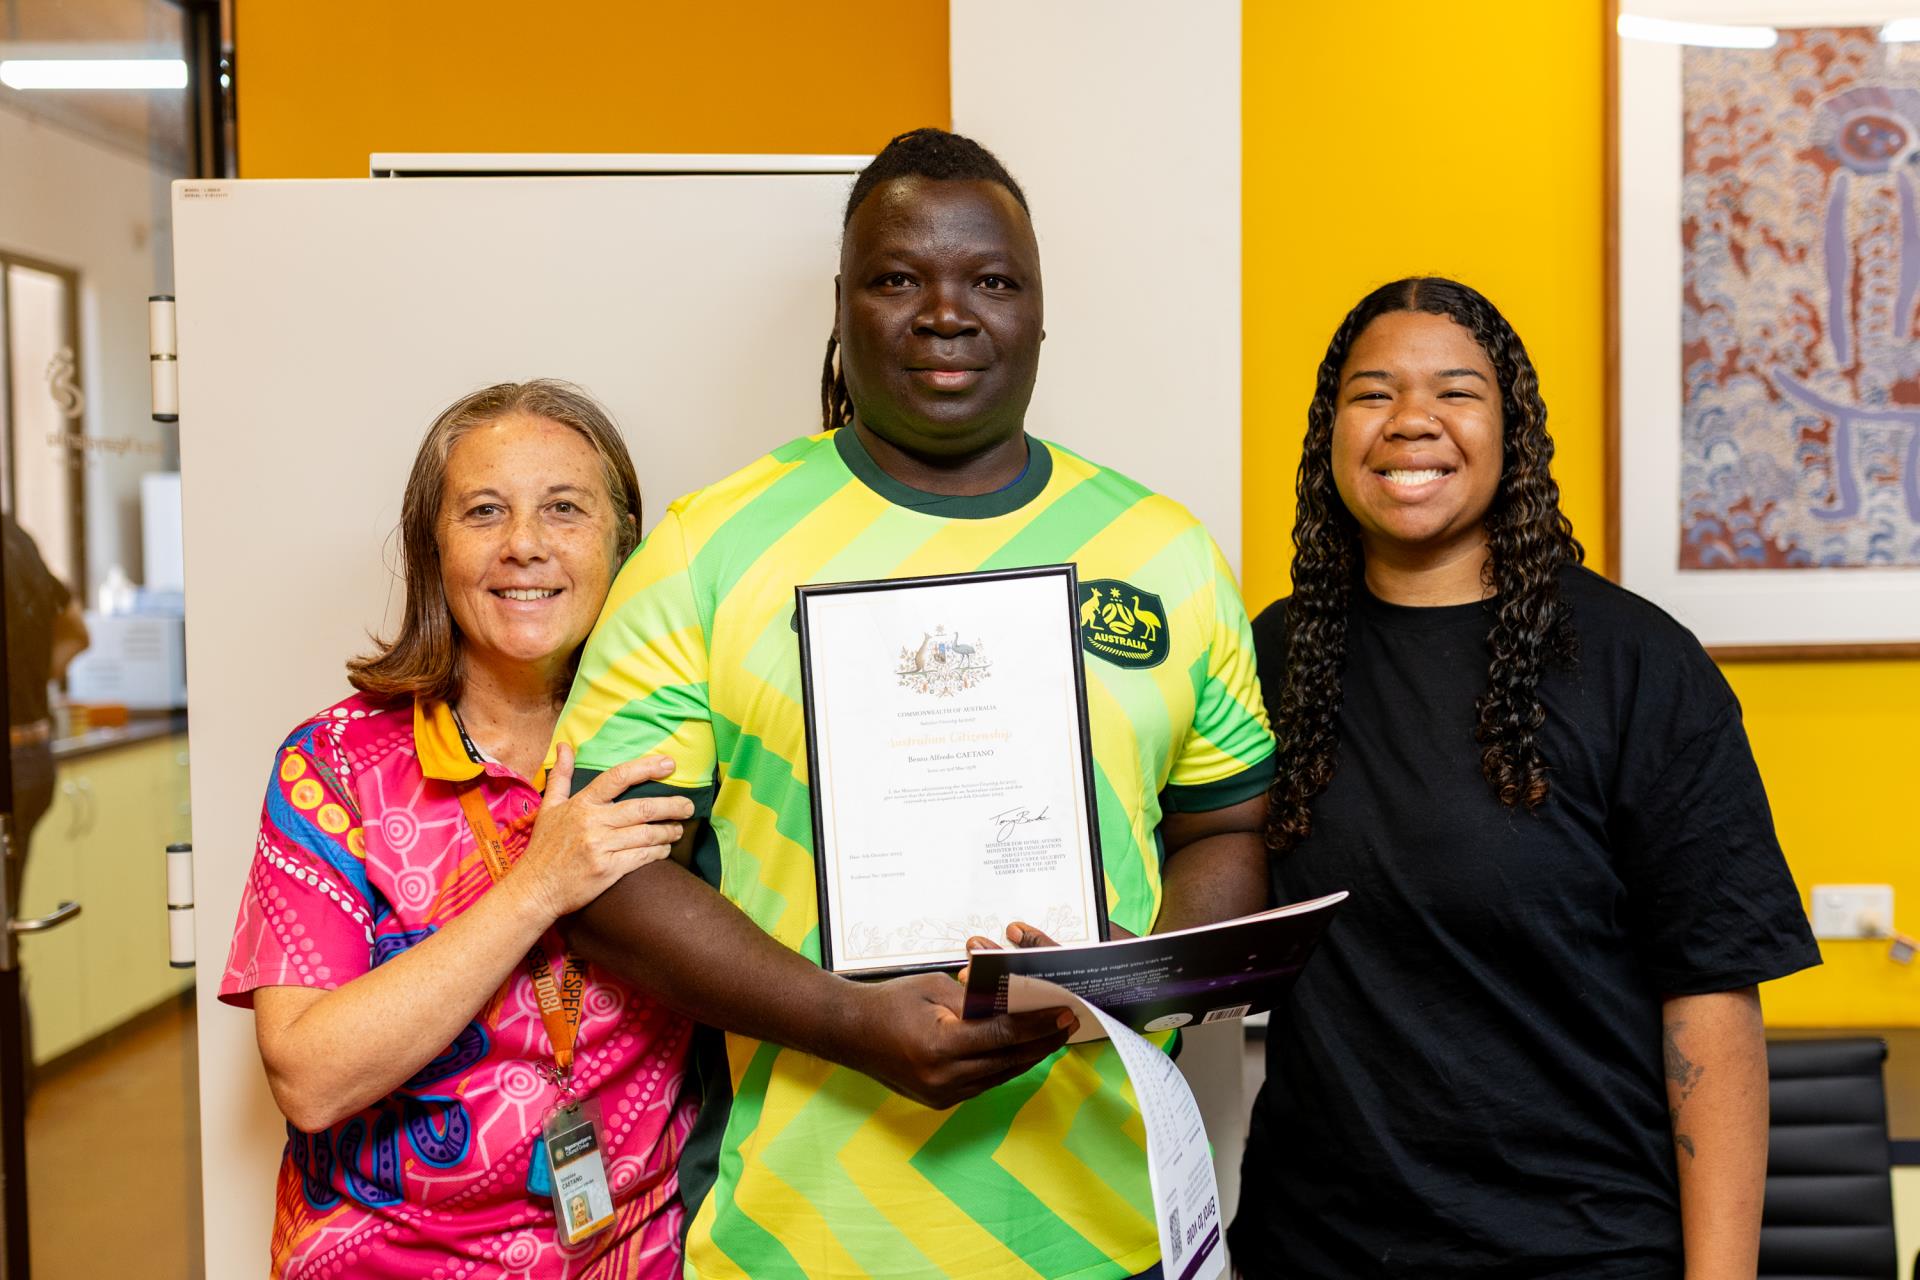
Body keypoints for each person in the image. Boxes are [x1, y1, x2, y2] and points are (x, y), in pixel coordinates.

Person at [553, 128, 1277, 1279]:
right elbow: (601, 877)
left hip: (1107, 1227)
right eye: (898, 278)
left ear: (1041, 313)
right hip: (799, 1237)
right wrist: (853, 1021)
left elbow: (1225, 828)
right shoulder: (709, 549)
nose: (948, 311)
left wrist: (1140, 978)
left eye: (993, 280)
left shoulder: (1167, 552)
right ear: (842, 306)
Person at [1229, 278, 1821, 1278]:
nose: (1411, 419)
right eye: (1372, 393)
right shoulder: (1273, 657)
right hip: (1316, 1249)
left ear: (1513, 434)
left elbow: (1711, 998)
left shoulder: (1637, 666)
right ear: (1330, 434)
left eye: (1456, 391)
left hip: (1578, 1251)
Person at [219, 381, 699, 1279]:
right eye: (484, 511)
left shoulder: (688, 750)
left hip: (638, 1255)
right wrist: (538, 886)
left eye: (565, 508)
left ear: (623, 541)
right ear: (433, 550)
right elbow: (310, 1079)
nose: (525, 544)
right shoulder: (334, 764)